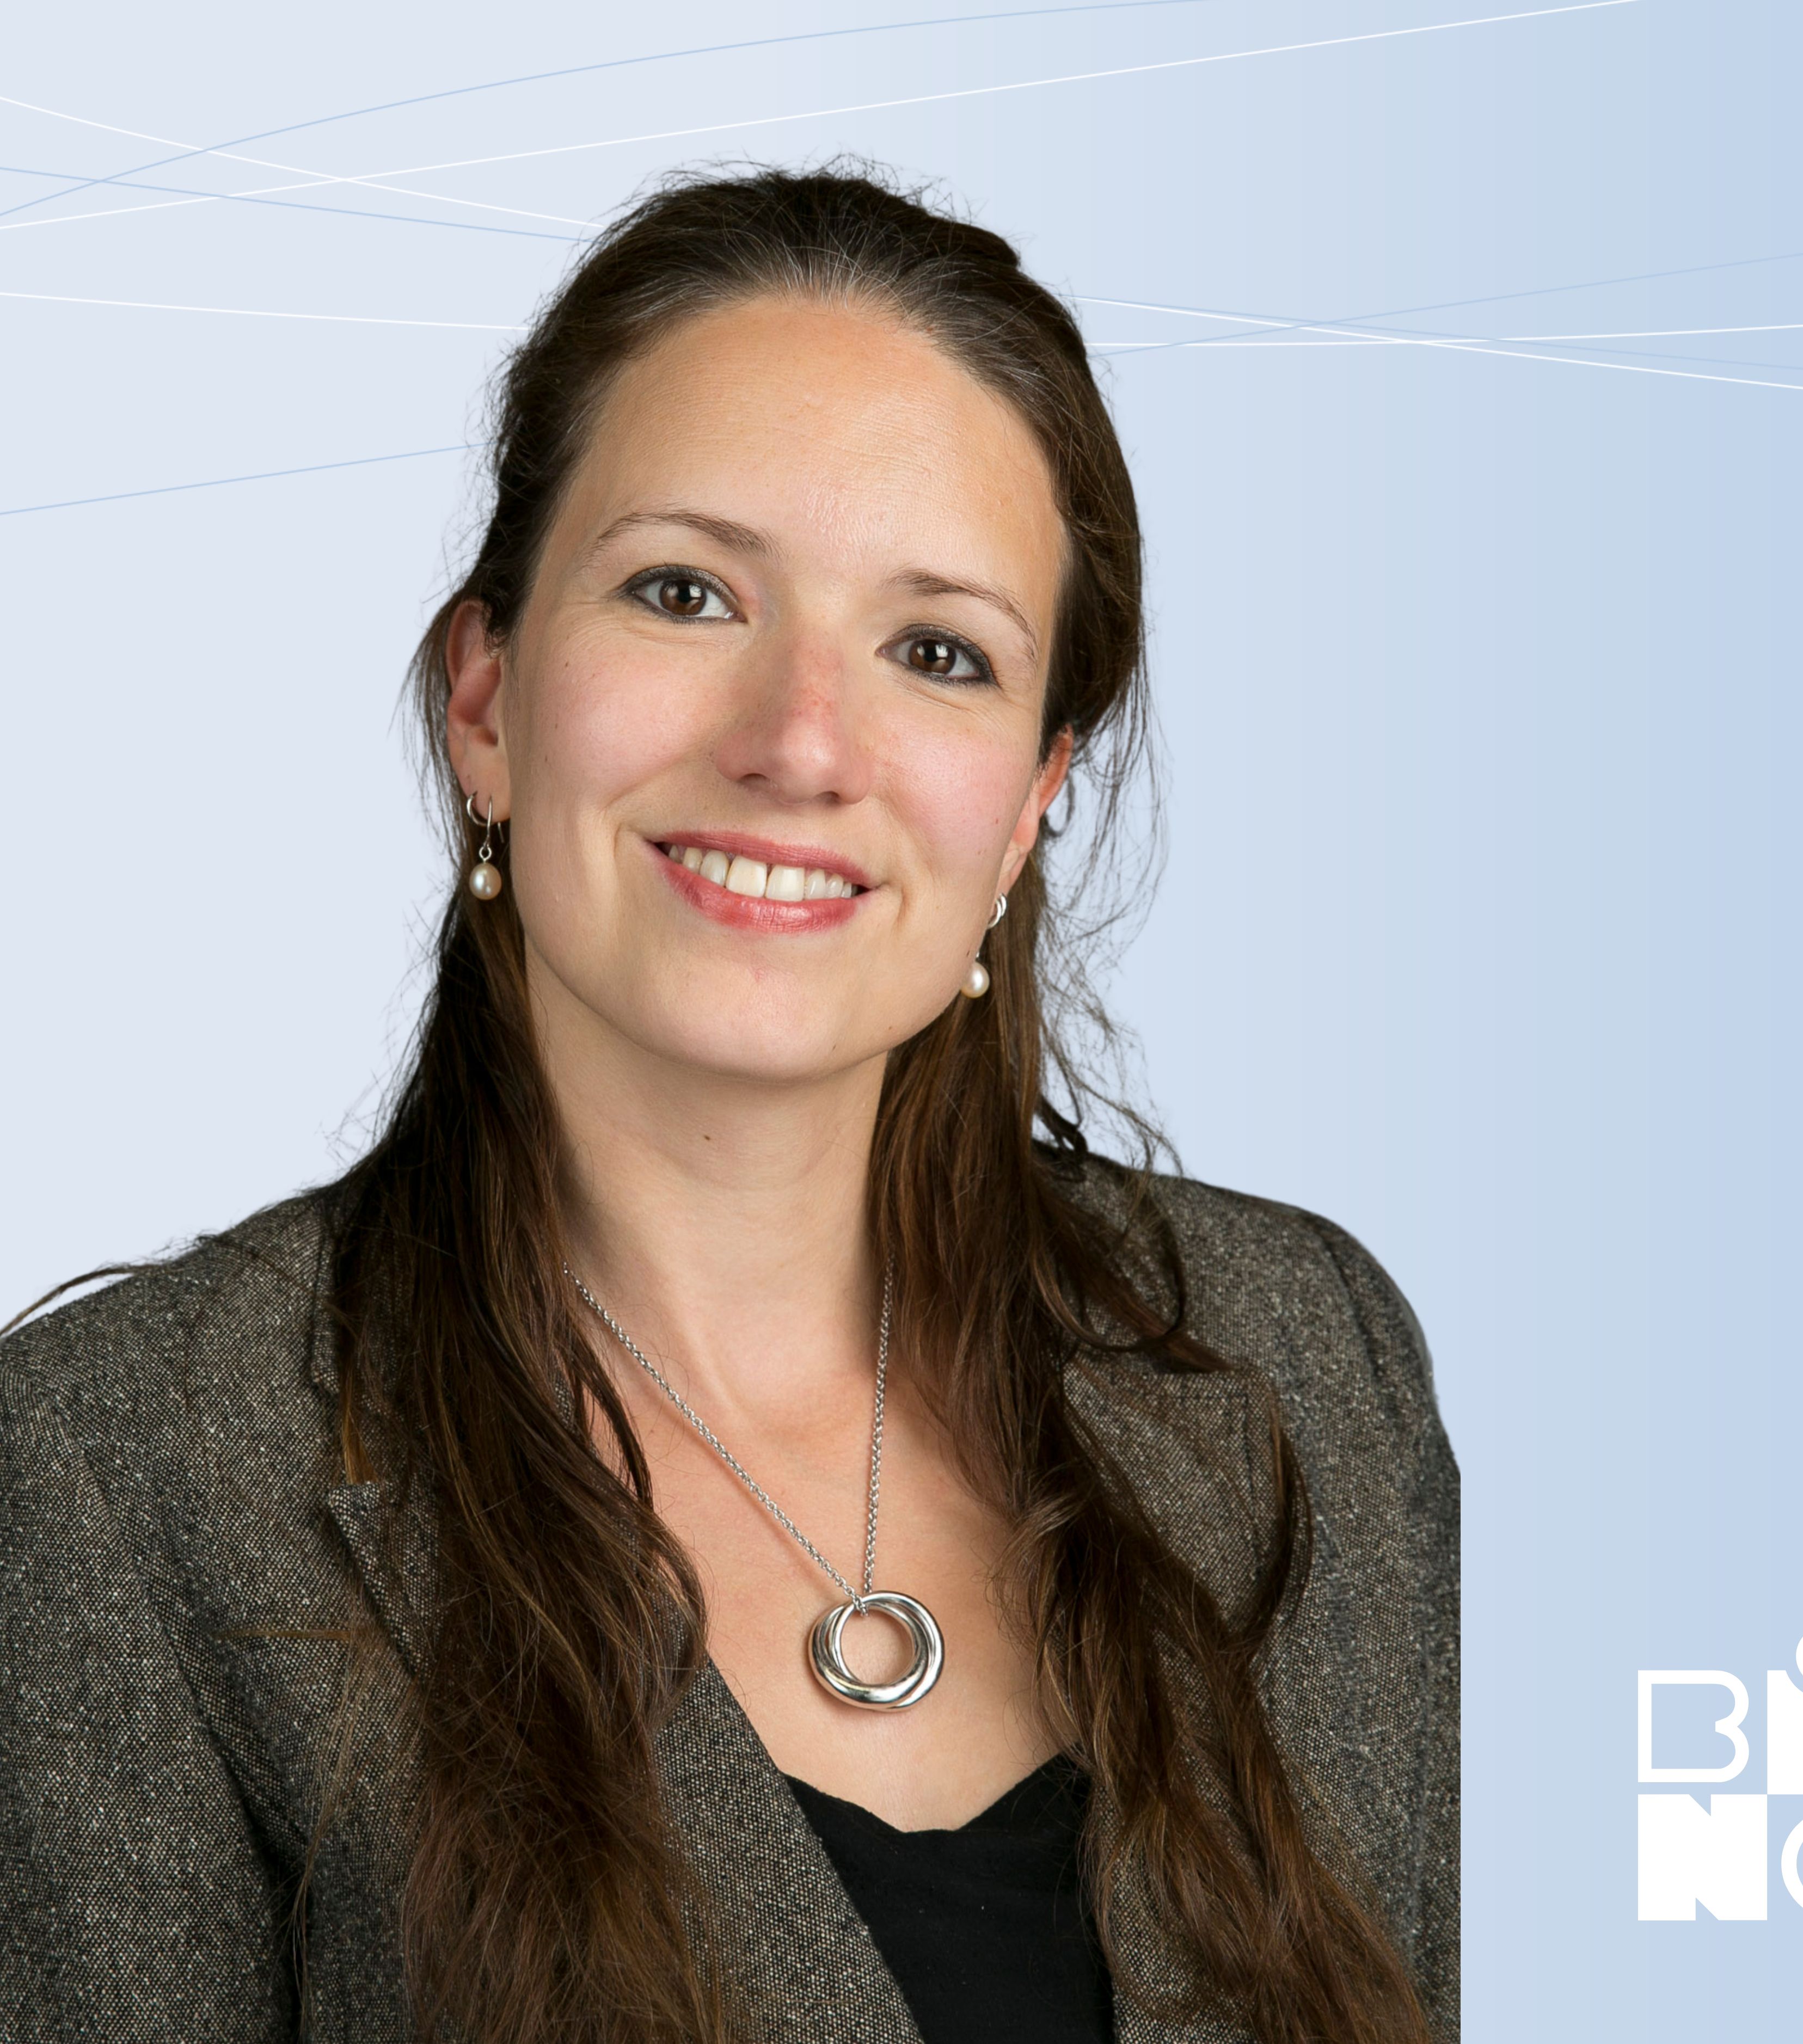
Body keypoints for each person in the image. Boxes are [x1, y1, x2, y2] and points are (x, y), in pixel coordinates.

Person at [0, 166, 1456, 2044]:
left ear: (1029, 803)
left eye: (938, 650)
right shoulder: (114, 1477)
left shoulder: (1308, 1367)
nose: (799, 742)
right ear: (487, 698)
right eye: (684, 592)